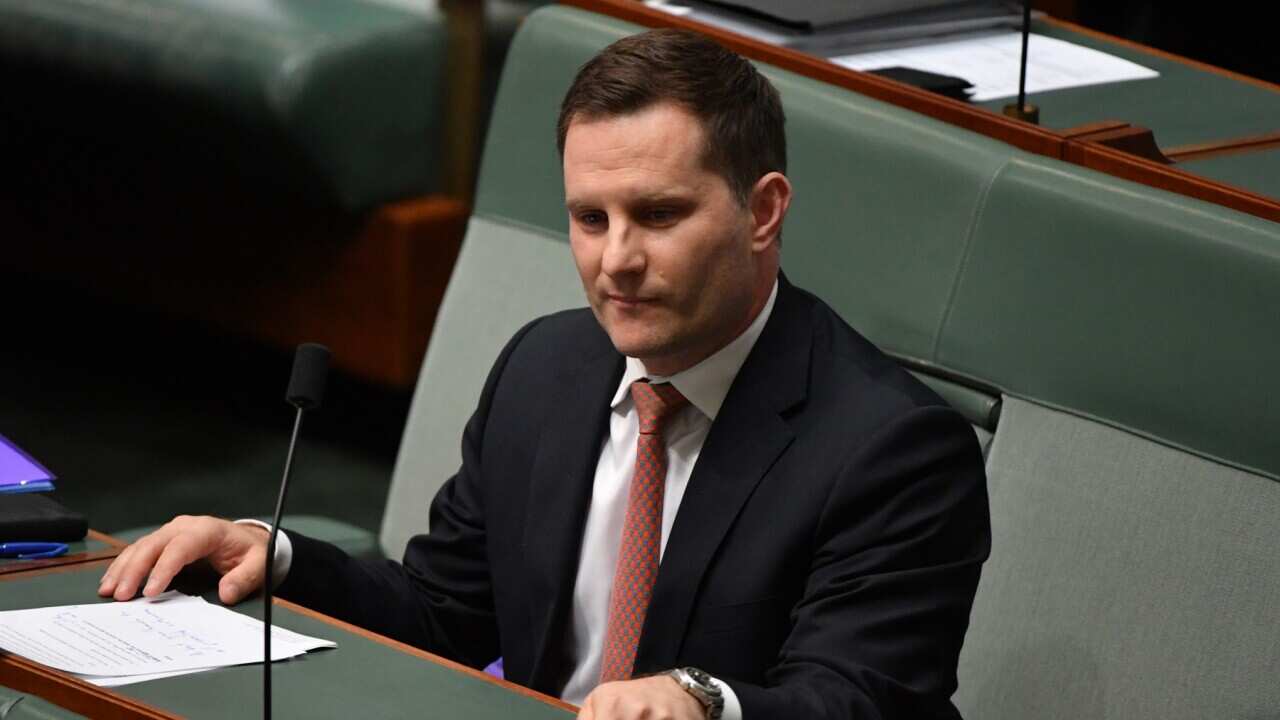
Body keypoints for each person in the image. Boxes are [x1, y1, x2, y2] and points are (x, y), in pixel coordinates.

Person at [98, 28, 990, 720]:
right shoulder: (546, 367)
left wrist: (700, 698)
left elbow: (857, 701)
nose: (618, 260)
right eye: (589, 218)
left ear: (763, 211)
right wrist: (277, 556)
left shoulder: (892, 448)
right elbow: (446, 611)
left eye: (658, 214)